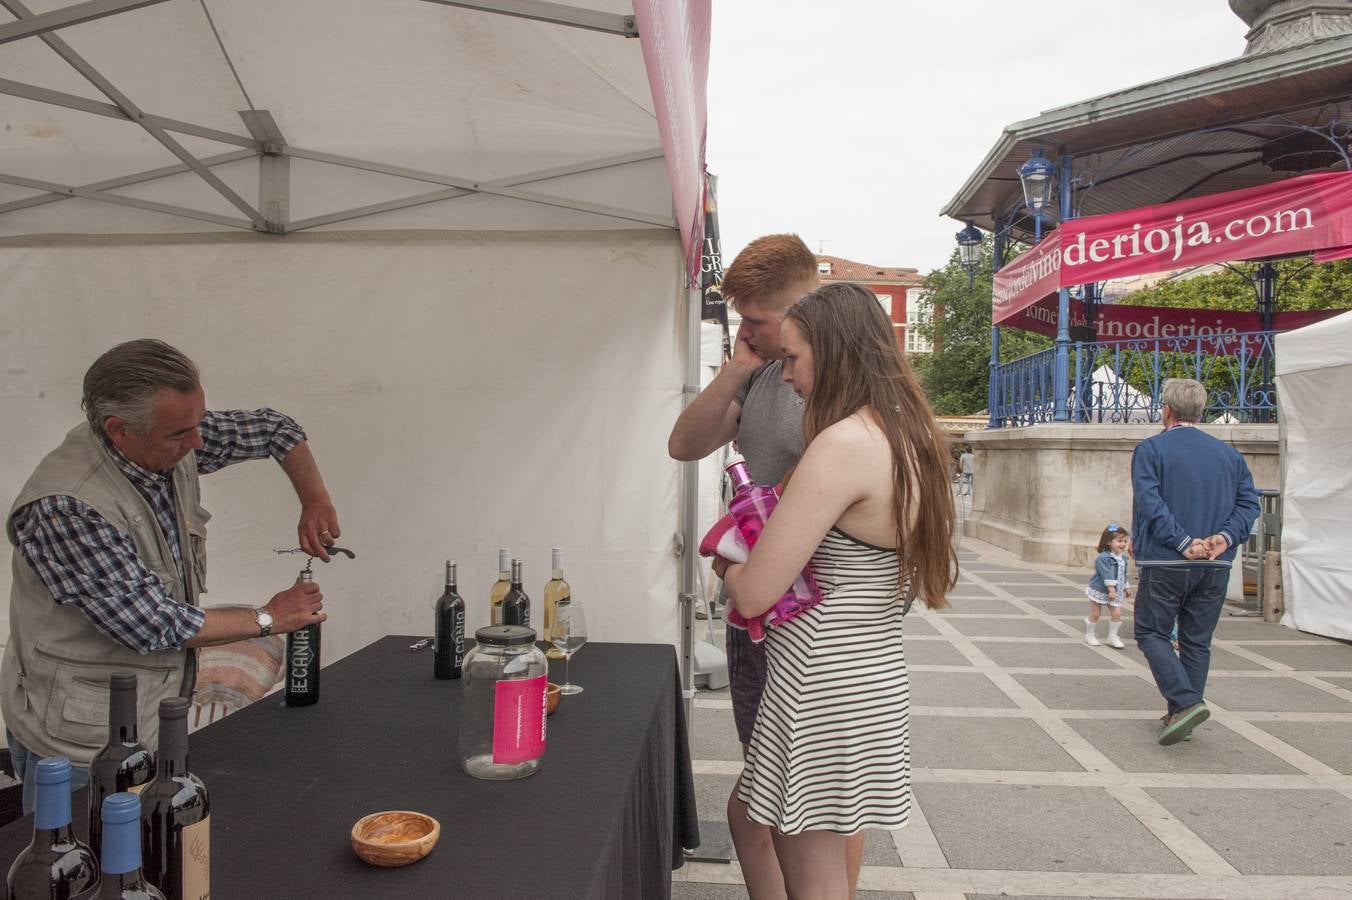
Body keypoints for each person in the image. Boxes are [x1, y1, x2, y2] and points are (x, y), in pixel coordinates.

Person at [4, 339, 340, 812]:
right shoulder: (67, 507)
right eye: (180, 433)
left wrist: (315, 501)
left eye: (199, 422)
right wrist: (267, 617)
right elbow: (154, 624)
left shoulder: (168, 439)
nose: (198, 443)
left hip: (151, 720)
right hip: (81, 746)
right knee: (81, 868)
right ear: (118, 430)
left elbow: (275, 430)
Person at [715, 283, 957, 899]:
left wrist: (728, 563)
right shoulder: (912, 436)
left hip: (821, 689)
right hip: (866, 676)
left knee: (817, 884)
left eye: (793, 357)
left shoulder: (844, 444)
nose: (786, 374)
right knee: (747, 819)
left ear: (835, 351)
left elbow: (754, 593)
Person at [670, 235, 859, 895]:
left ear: (806, 303)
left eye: (757, 318)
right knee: (770, 787)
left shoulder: (839, 386)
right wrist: (734, 369)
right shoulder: (760, 371)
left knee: (818, 806)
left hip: (814, 619)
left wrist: (730, 573)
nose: (745, 330)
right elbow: (684, 444)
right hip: (758, 619)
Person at [1131, 378, 1259, 746]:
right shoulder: (1229, 455)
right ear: (1200, 411)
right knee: (1197, 640)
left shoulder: (1151, 449)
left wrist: (1183, 541)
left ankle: (1185, 702)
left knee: (1152, 632)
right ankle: (1181, 712)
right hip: (1216, 563)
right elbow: (1248, 504)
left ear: (1166, 410)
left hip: (1166, 560)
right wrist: (1225, 537)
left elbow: (1150, 503)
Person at [1084, 524, 1130, 648]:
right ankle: (1089, 634)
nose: (1123, 544)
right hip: (1100, 589)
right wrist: (1111, 590)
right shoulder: (1103, 559)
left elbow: (1123, 574)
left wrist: (1126, 587)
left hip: (1115, 591)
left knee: (1117, 614)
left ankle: (1112, 636)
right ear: (1109, 542)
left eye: (1125, 541)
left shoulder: (1123, 559)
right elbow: (1106, 575)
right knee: (1096, 614)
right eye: (1119, 541)